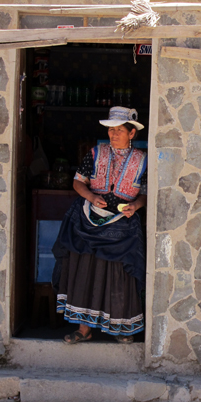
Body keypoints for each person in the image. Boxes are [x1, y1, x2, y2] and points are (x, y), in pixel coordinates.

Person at [53, 106, 147, 344]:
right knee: (87, 270)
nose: (113, 135)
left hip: (122, 223)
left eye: (118, 130)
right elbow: (78, 183)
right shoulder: (96, 153)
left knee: (119, 274)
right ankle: (84, 329)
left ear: (131, 134)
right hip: (89, 218)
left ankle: (122, 329)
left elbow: (145, 193)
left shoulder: (143, 160)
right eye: (111, 130)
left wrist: (135, 206)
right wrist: (91, 197)